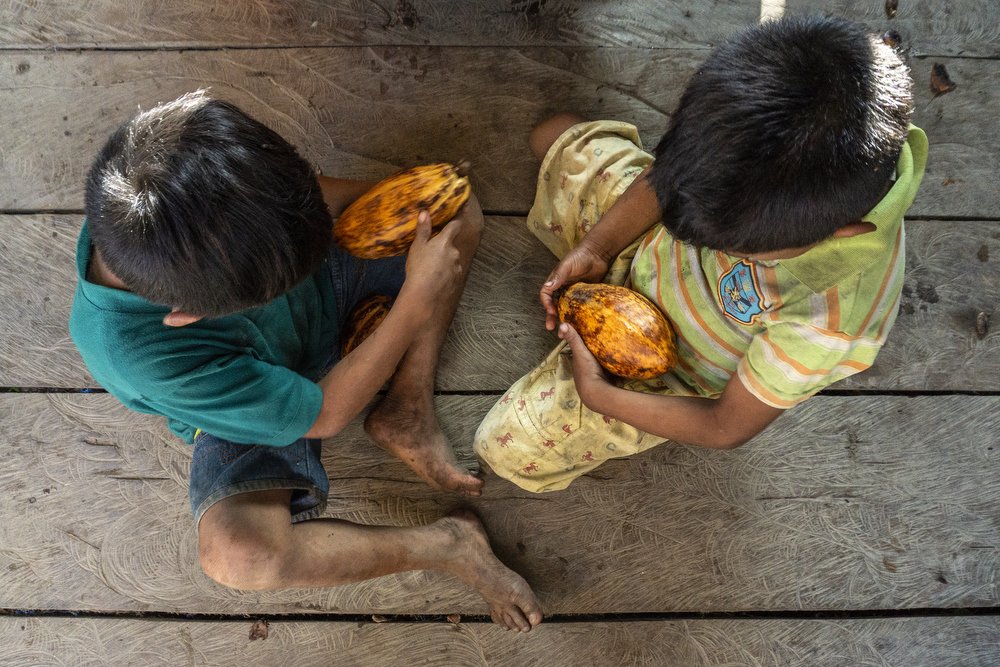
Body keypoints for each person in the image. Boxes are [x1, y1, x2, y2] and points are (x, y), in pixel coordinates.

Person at [69, 91, 542, 631]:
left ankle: (408, 405)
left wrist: (402, 209)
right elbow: (325, 414)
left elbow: (316, 199)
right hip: (258, 399)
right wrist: (416, 299)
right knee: (239, 556)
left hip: (330, 278)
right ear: (185, 316)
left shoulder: (181, 157)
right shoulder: (138, 354)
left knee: (456, 209)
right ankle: (449, 546)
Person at [475, 15, 927, 493]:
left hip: (675, 366)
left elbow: (724, 426)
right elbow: (670, 182)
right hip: (644, 244)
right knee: (552, 135)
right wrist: (597, 246)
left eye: (745, 254)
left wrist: (600, 396)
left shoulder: (831, 323)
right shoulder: (750, 122)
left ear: (842, 233)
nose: (713, 251)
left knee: (504, 447)